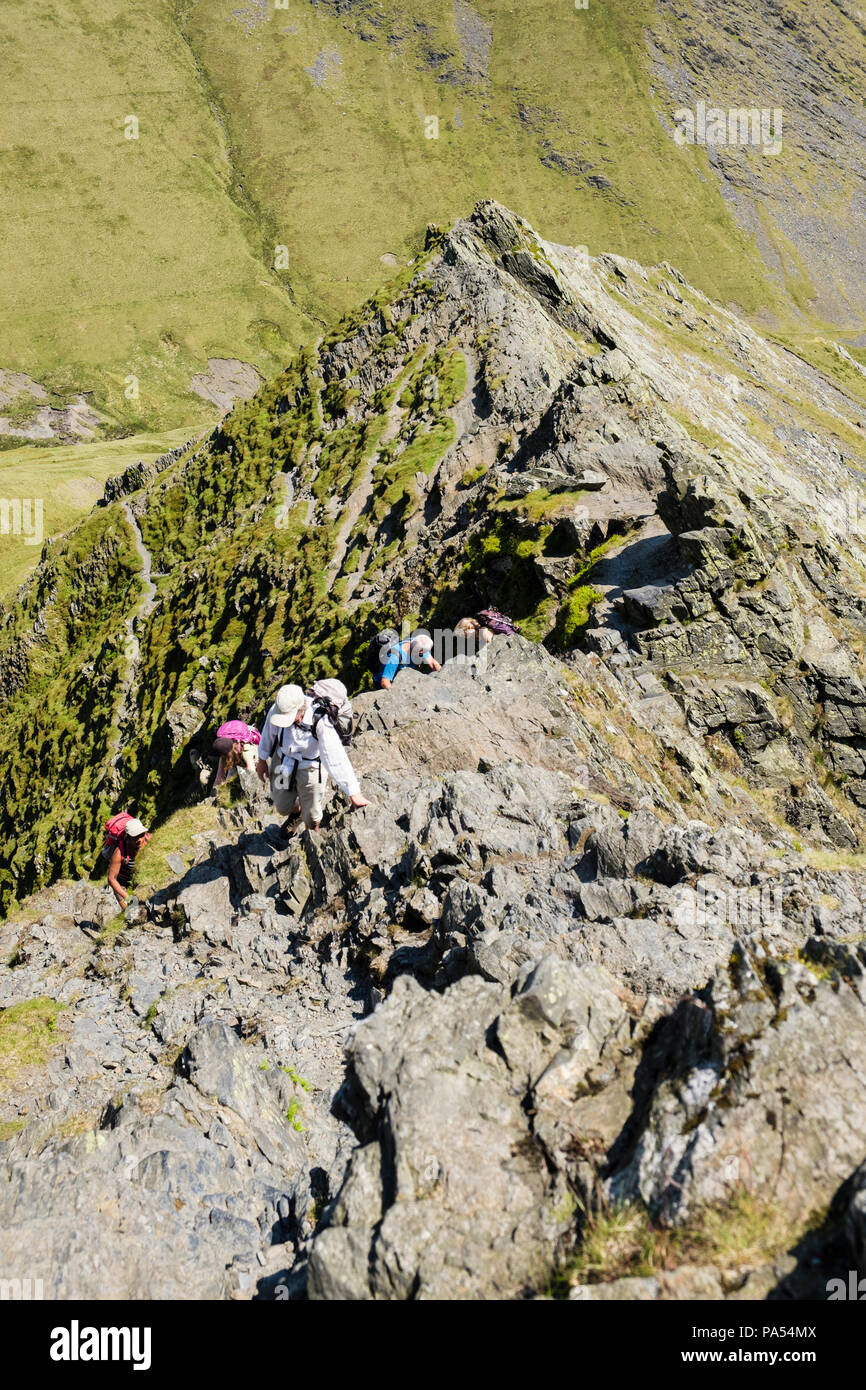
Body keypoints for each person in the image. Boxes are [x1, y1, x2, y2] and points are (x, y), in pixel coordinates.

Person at [256, 682, 370, 835]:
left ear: (300, 710)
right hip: (283, 763)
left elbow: (335, 757)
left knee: (312, 816)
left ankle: (311, 836)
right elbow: (268, 733)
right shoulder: (278, 709)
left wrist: (354, 793)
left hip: (311, 767)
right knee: (282, 806)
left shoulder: (321, 720)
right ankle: (296, 812)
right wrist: (262, 761)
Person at [106, 816, 151, 911]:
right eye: (135, 837)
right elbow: (111, 878)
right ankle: (129, 918)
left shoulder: (150, 840)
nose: (139, 839)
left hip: (139, 876)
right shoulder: (119, 852)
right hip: (122, 878)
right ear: (127, 837)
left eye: (141, 835)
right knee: (124, 902)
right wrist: (127, 897)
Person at [373, 630, 442, 690]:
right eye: (425, 651)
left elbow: (433, 663)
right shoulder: (395, 658)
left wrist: (442, 678)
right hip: (382, 683)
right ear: (420, 651)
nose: (426, 653)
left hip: (400, 679)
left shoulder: (416, 642)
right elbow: (385, 682)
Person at [208, 719, 260, 788]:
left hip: (255, 756)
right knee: (229, 781)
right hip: (234, 756)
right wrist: (215, 794)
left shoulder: (246, 750)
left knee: (247, 773)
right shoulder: (224, 752)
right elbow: (219, 777)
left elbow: (252, 772)